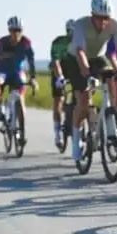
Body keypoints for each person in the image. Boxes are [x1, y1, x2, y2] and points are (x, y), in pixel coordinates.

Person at [65, 0, 117, 161]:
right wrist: (87, 74)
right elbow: (80, 51)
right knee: (84, 101)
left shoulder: (114, 25)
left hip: (98, 57)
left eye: (106, 19)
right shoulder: (81, 24)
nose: (103, 23)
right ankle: (76, 140)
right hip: (75, 59)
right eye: (99, 18)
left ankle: (110, 123)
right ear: (92, 15)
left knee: (111, 78)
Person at [0, 16, 37, 143]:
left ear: (22, 31)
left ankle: (22, 133)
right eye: (13, 30)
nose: (16, 33)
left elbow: (31, 62)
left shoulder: (26, 43)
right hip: (2, 71)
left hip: (17, 72)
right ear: (9, 31)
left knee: (20, 101)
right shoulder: (2, 42)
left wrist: (33, 78)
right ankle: (0, 109)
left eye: (19, 30)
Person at [50, 19, 75, 148]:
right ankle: (58, 133)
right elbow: (56, 62)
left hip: (73, 70)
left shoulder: (82, 43)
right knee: (59, 100)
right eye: (71, 33)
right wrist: (59, 77)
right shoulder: (59, 42)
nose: (72, 36)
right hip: (59, 70)